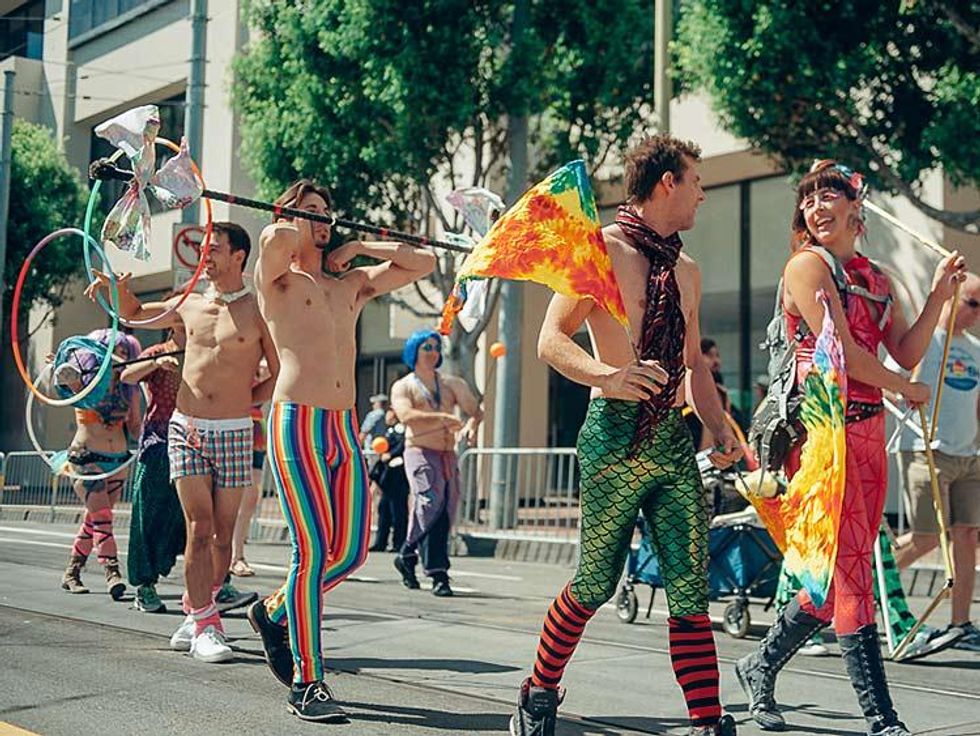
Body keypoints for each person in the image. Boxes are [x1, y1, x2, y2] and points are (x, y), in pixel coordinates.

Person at [510, 134, 742, 736]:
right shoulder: (600, 252)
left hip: (670, 440)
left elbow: (694, 365)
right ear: (668, 181)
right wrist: (609, 376)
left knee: (692, 586)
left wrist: (721, 430)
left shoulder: (686, 271)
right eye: (696, 183)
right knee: (595, 582)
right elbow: (550, 340)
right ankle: (538, 692)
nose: (702, 197)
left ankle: (706, 721)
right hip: (613, 437)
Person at [734, 160, 964, 736]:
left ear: (856, 210)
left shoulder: (879, 278)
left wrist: (938, 294)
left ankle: (757, 665)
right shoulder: (806, 267)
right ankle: (882, 719)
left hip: (865, 438)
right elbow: (848, 360)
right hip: (820, 439)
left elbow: (906, 352)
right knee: (852, 574)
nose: (815, 207)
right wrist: (905, 390)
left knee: (822, 588)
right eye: (808, 200)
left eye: (828, 195)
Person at [248, 179, 435, 721]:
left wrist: (357, 247)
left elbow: (420, 263)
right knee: (309, 554)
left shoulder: (349, 283)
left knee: (349, 551)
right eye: (312, 211)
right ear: (288, 216)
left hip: (343, 430)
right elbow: (271, 242)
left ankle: (274, 610)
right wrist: (292, 221)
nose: (324, 219)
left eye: (328, 211)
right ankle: (309, 681)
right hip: (295, 424)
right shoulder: (278, 279)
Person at [86, 221, 278, 665]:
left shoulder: (258, 310)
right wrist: (115, 292)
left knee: (223, 534)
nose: (204, 256)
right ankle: (208, 625)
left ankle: (196, 612)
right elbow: (136, 313)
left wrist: (246, 401)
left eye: (214, 249)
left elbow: (277, 369)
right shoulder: (188, 302)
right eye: (203, 249)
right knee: (200, 526)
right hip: (186, 428)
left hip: (233, 431)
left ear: (239, 257)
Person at [890, 272, 980, 653]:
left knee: (968, 536)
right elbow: (889, 384)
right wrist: (910, 397)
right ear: (953, 298)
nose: (978, 312)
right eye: (973, 303)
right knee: (927, 538)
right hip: (925, 449)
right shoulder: (925, 341)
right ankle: (866, 589)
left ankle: (961, 623)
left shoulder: (976, 348)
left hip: (968, 455)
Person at [390, 330, 482, 596]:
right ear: (414, 351)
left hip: (447, 454)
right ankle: (439, 573)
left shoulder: (452, 384)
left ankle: (407, 554)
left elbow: (474, 410)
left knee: (447, 508)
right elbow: (406, 415)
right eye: (426, 347)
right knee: (430, 502)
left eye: (435, 347)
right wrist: (443, 418)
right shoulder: (404, 386)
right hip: (419, 451)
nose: (432, 352)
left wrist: (473, 425)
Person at [59, 329, 142, 599]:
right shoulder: (85, 383)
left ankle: (72, 572)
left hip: (117, 462)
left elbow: (136, 425)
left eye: (124, 353)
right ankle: (112, 572)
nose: (120, 357)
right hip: (86, 459)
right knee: (103, 518)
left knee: (94, 520)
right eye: (114, 352)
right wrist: (66, 373)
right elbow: (66, 383)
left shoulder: (128, 391)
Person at [120, 322, 186, 613]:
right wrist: (155, 362)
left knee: (202, 517)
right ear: (173, 323)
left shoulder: (206, 349)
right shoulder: (158, 351)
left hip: (198, 439)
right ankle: (144, 584)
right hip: (159, 442)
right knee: (150, 514)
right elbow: (127, 374)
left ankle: (218, 584)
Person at [231, 360, 272, 577]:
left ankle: (237, 555)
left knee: (250, 497)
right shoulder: (244, 364)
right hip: (237, 424)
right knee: (234, 496)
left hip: (255, 427)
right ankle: (233, 554)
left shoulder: (265, 364)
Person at [368, 407, 410, 552]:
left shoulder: (402, 430)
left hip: (398, 475)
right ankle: (381, 541)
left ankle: (399, 542)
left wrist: (391, 454)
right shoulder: (391, 430)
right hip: (388, 476)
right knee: (384, 509)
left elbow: (402, 446)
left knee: (398, 511)